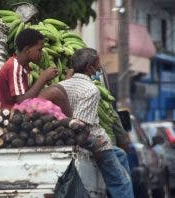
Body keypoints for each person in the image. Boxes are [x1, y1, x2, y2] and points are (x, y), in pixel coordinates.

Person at [40, 48, 134, 198]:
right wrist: (95, 148)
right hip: (96, 142)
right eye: (97, 64)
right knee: (121, 183)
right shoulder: (91, 90)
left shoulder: (64, 84)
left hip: (74, 135)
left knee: (121, 154)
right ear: (89, 67)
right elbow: (82, 125)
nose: (99, 67)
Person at [0, 28, 58, 109]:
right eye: (39, 50)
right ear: (27, 50)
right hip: (4, 111)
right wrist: (43, 78)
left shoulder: (24, 66)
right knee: (53, 93)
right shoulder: (14, 66)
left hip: (13, 109)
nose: (42, 54)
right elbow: (22, 101)